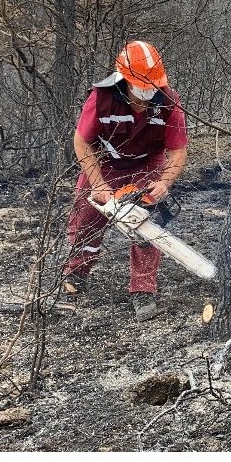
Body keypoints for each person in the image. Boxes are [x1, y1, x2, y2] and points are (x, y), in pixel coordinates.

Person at [61, 41, 189, 322]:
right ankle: (76, 273)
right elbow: (82, 142)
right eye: (141, 85)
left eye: (152, 85)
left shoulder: (168, 101)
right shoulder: (103, 98)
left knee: (145, 222)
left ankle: (143, 288)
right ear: (125, 80)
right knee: (86, 216)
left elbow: (178, 151)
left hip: (147, 164)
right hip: (105, 162)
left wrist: (165, 181)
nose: (147, 91)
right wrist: (98, 183)